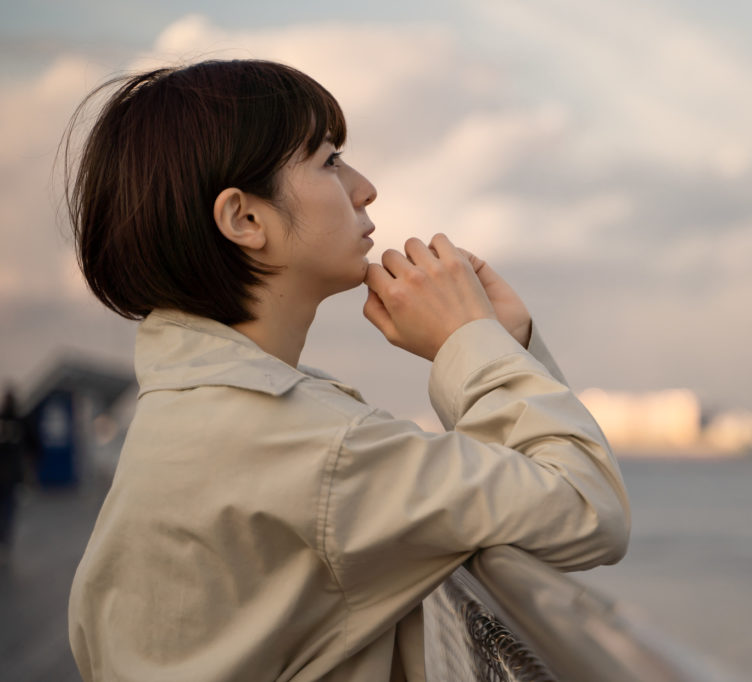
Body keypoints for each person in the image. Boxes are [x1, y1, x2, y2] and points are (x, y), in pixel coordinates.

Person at [63, 59, 629, 681]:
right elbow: (586, 506)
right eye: (330, 160)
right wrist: (469, 341)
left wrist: (503, 344)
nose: (365, 187)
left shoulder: (196, 410)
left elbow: (522, 502)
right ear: (245, 219)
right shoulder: (302, 442)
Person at [0, 388, 27, 567]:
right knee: (8, 509)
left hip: (6, 474)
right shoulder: (20, 420)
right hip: (11, 474)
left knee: (6, 508)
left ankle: (3, 539)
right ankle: (5, 540)